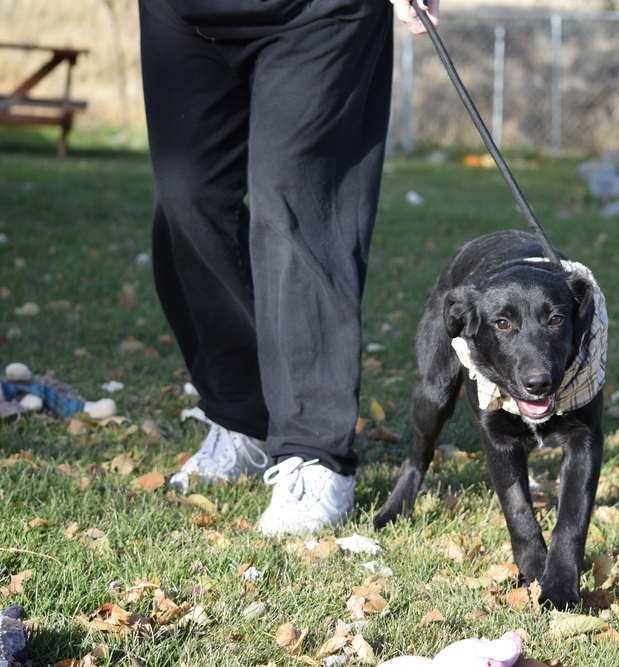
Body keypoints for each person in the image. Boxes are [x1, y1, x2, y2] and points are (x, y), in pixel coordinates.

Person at [138, 0, 439, 536]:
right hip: (184, 13)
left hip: (319, 15)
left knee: (298, 205)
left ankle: (315, 452)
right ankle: (243, 417)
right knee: (186, 199)